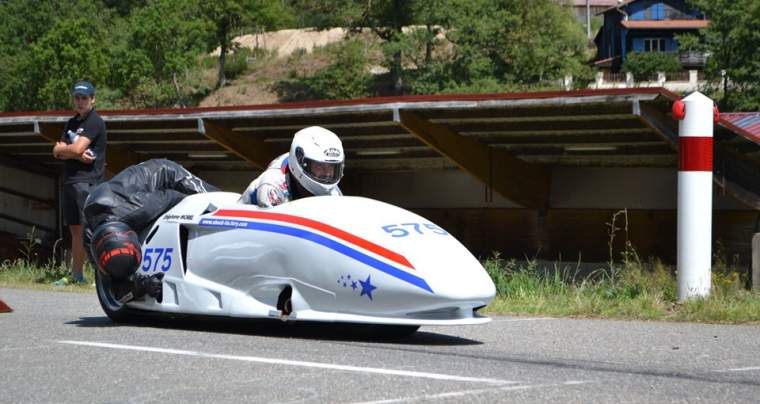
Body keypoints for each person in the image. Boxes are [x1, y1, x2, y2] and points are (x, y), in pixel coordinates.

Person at [83, 159, 218, 302]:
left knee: (212, 198)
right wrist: (139, 287)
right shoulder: (90, 237)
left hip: (165, 174)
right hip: (119, 197)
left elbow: (176, 197)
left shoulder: (139, 209)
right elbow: (115, 291)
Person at [52, 80, 107, 285]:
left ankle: (101, 277)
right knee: (75, 230)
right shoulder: (71, 123)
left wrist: (67, 151)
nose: (80, 101)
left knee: (91, 230)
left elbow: (70, 149)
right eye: (77, 97)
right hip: (70, 181)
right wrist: (70, 153)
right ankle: (77, 276)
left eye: (84, 98)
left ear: (92, 99)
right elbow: (57, 151)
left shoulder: (95, 122)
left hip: (88, 182)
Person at [239, 126, 344, 207]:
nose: (327, 174)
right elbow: (271, 232)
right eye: (320, 166)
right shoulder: (273, 185)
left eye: (331, 167)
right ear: (300, 161)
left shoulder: (332, 191)